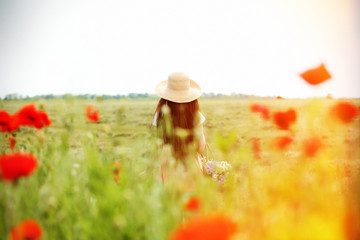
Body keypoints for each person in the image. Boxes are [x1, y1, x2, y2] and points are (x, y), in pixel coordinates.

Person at [151, 72, 206, 184]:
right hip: (192, 171)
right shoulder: (196, 116)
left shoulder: (159, 116)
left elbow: (155, 148)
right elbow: (200, 146)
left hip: (166, 172)